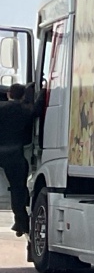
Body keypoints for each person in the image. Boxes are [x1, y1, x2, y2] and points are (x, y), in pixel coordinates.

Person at [0, 83, 36, 235]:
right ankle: (21, 221)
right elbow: (37, 109)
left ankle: (20, 222)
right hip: (14, 154)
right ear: (22, 96)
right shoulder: (25, 110)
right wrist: (39, 93)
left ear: (9, 94)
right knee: (18, 188)